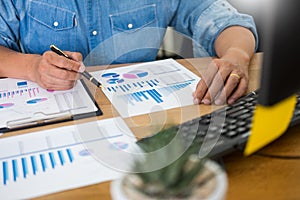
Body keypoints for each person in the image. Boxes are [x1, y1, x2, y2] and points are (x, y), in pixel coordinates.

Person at [0, 0, 257, 105]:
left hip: (139, 119)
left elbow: (226, 21)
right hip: (50, 120)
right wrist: (32, 67)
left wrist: (236, 57)